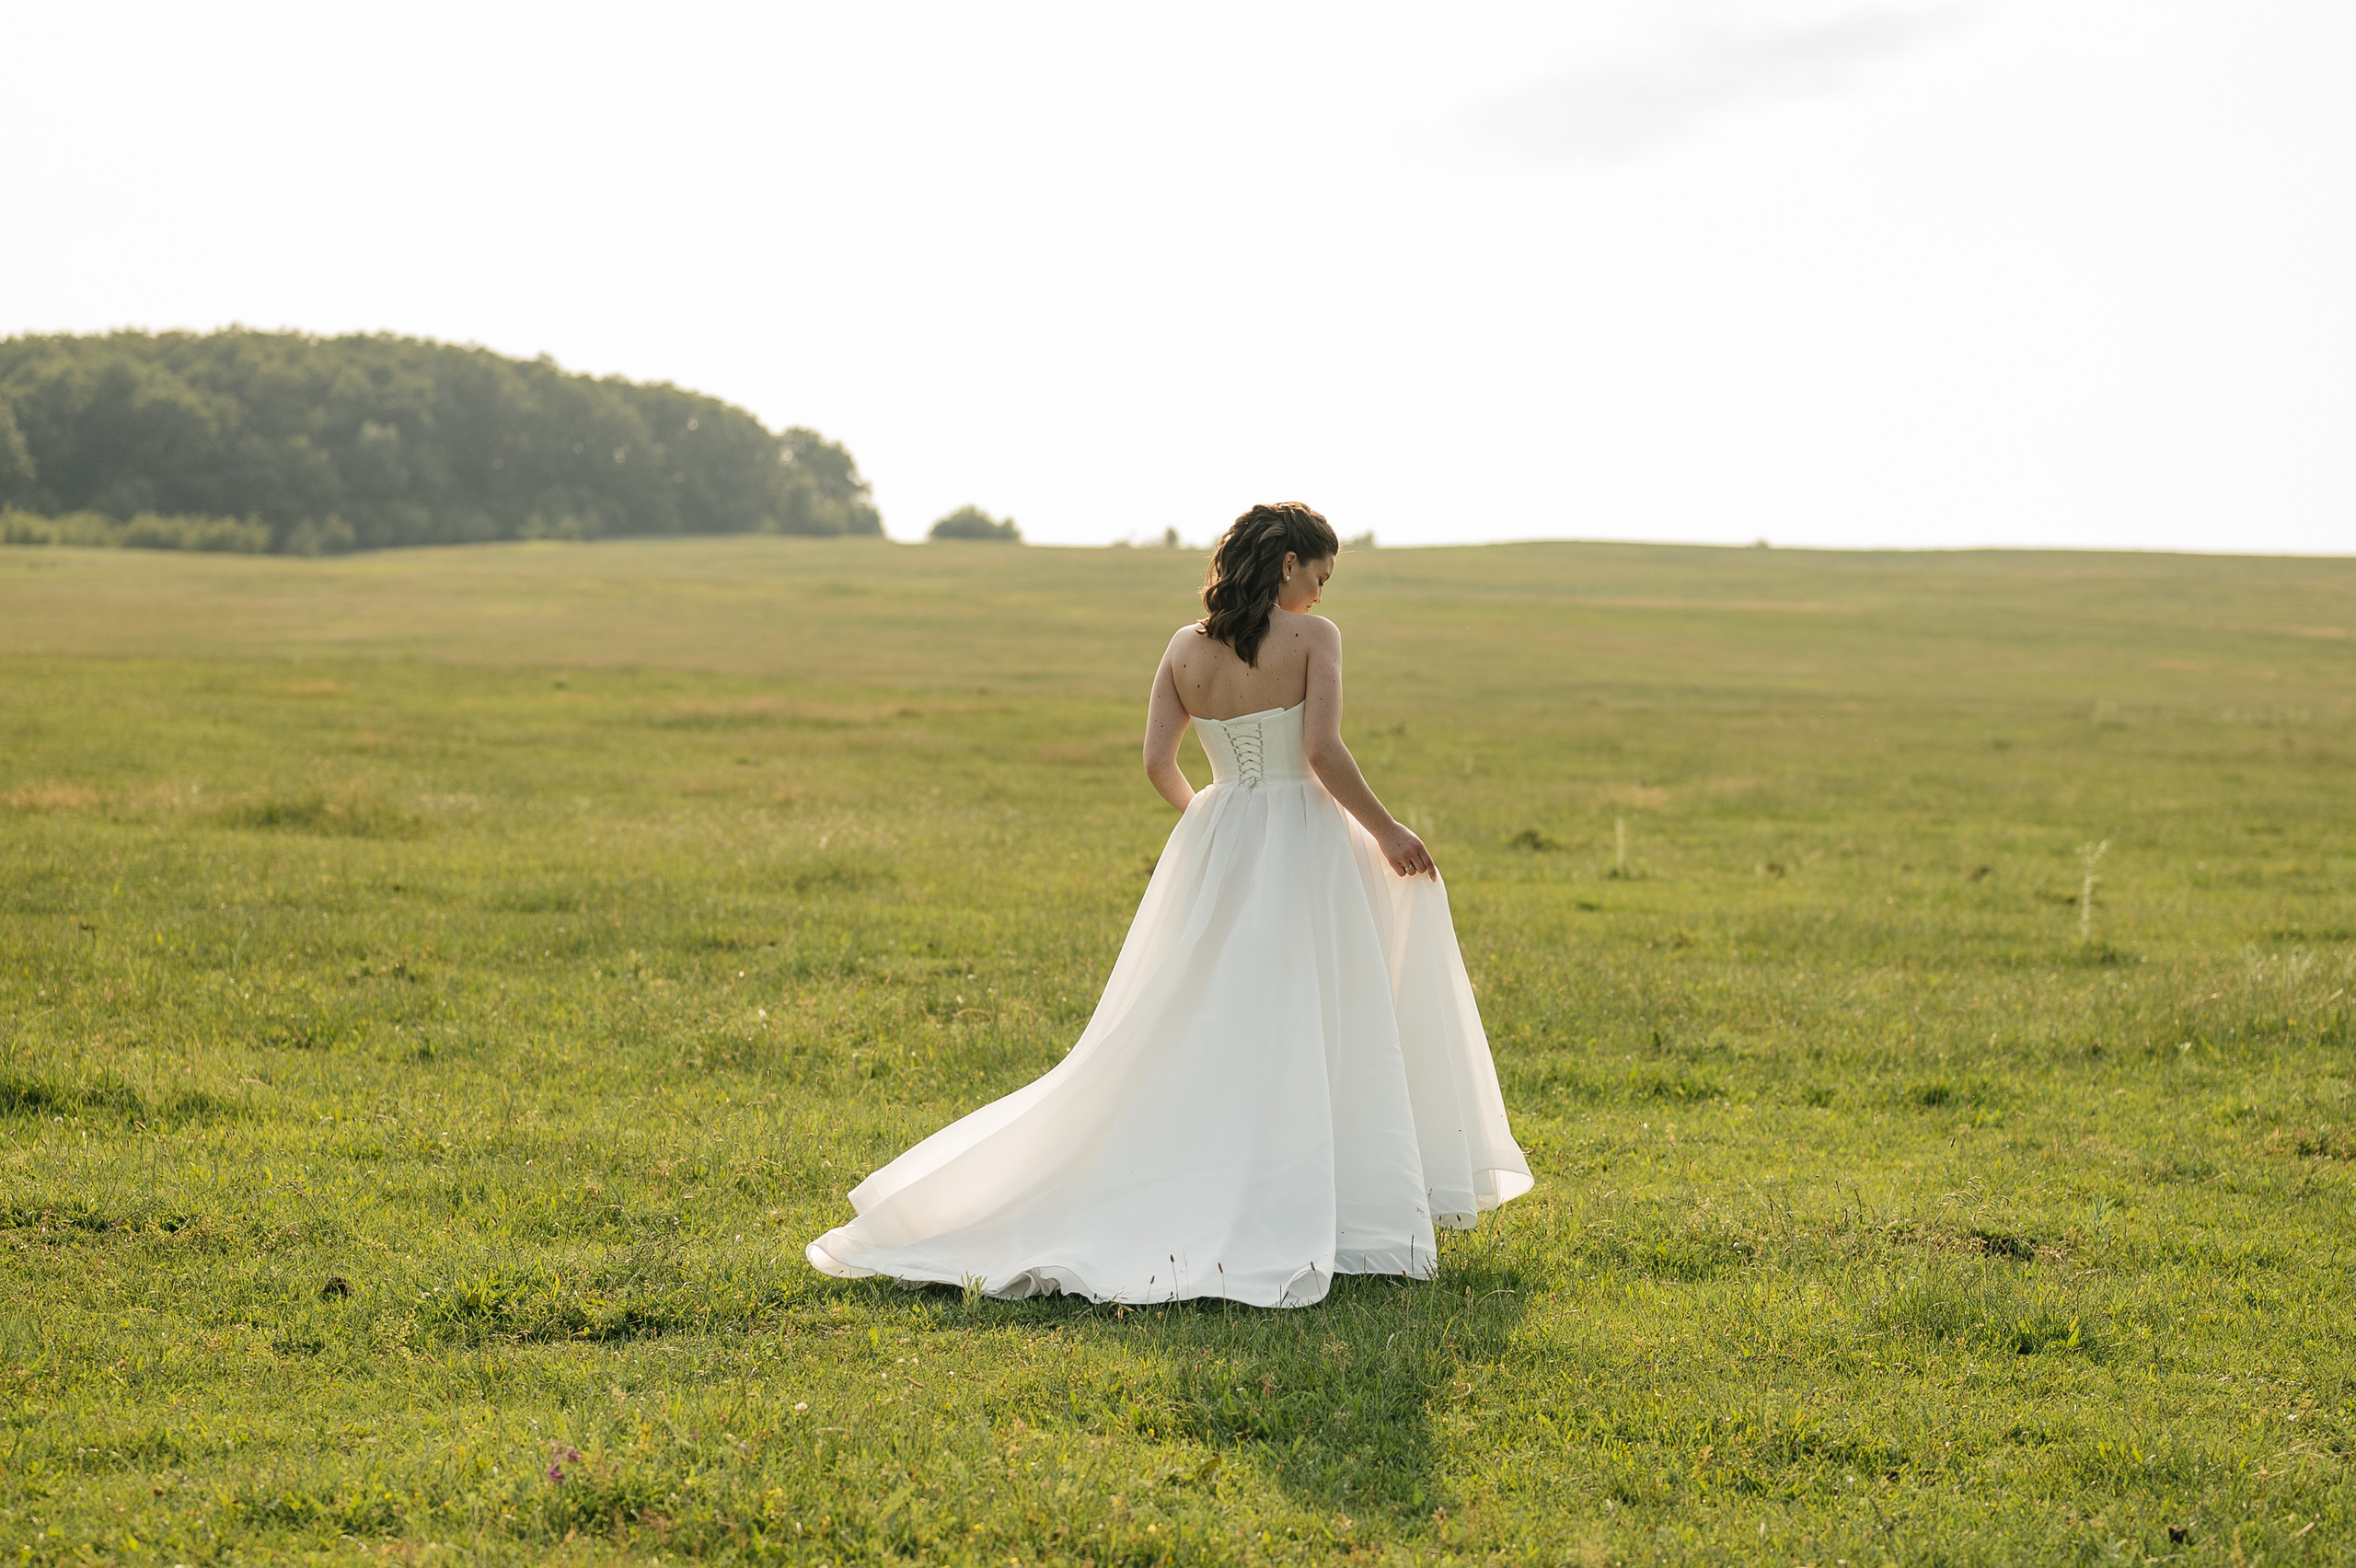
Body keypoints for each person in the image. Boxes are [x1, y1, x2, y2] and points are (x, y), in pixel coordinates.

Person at [805, 502, 1531, 1307]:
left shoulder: (1184, 651)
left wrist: (1220, 828)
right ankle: (1333, 1202)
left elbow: (1158, 762)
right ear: (1288, 561)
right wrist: (1388, 830)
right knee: (1316, 1010)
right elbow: (1321, 751)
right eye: (1321, 572)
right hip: (1305, 837)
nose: (1324, 591)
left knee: (1202, 1012)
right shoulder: (1314, 641)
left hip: (1219, 836)